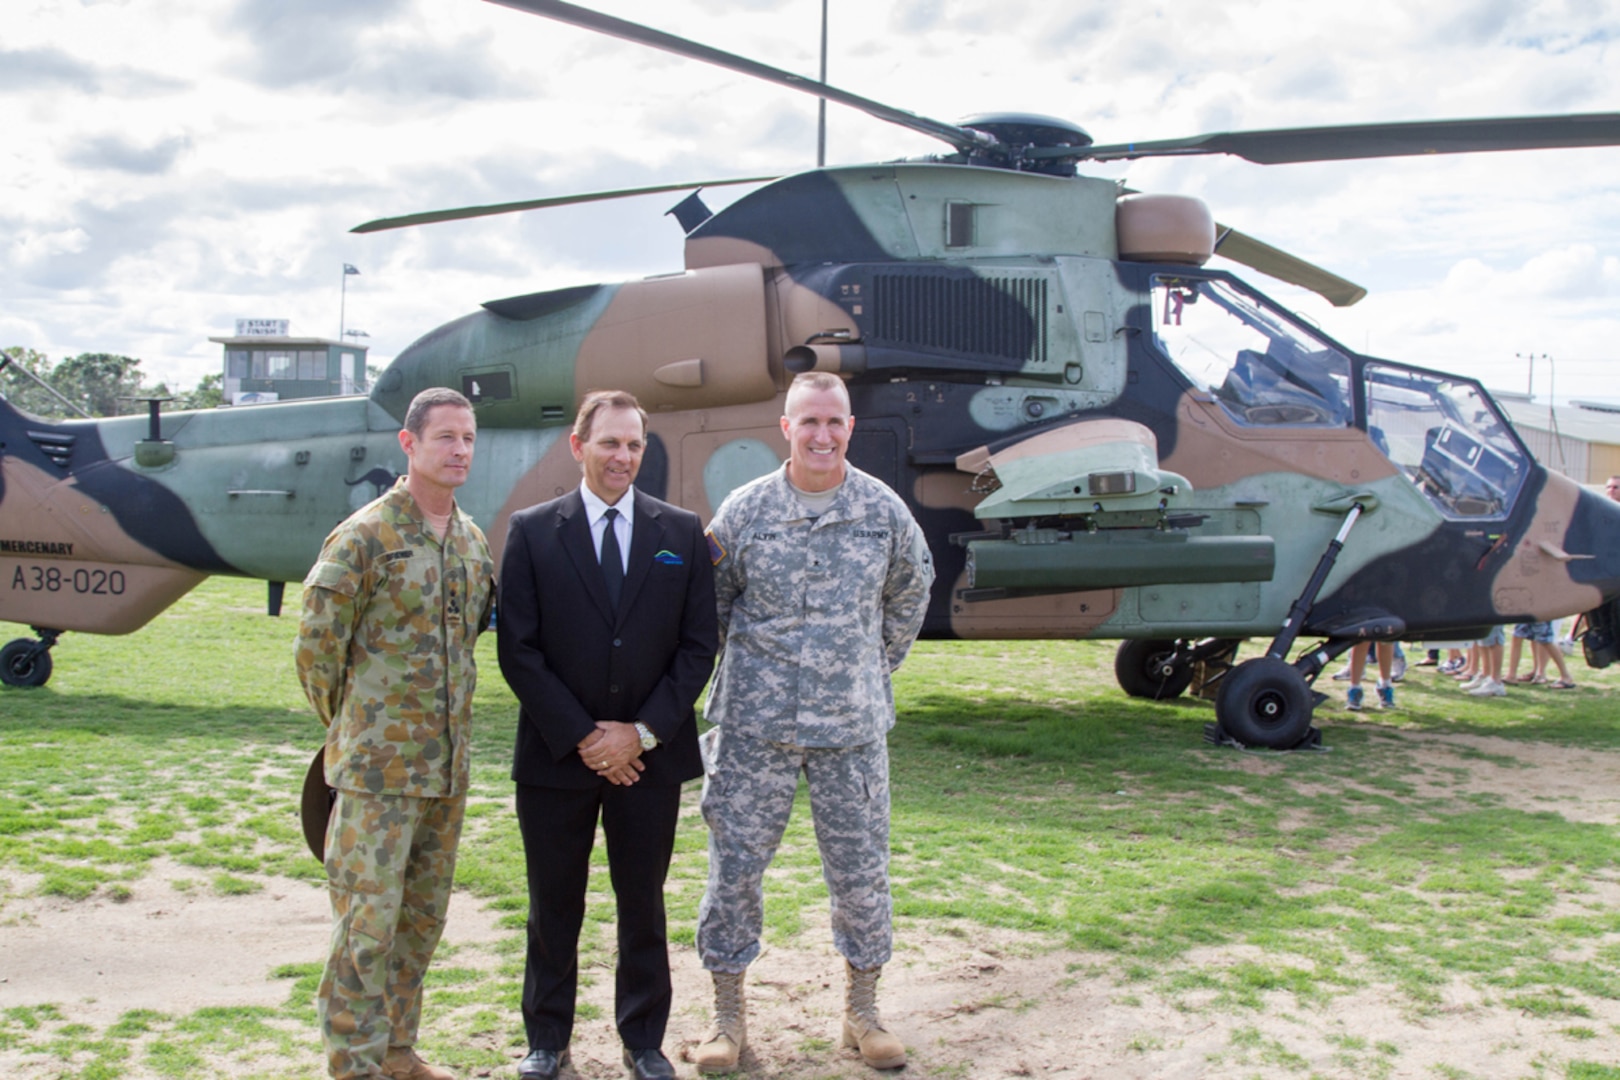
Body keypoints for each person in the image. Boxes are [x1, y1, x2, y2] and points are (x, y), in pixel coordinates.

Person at [691, 372, 935, 1073]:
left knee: (860, 875)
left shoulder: (881, 511)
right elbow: (711, 605)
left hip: (850, 731)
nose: (821, 435)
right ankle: (726, 1020)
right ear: (786, 428)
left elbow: (911, 591)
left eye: (834, 422)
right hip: (752, 728)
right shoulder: (745, 511)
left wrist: (865, 667)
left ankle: (863, 1014)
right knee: (734, 871)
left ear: (849, 428)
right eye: (809, 423)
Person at [497, 390, 717, 1080]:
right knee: (552, 904)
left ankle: (643, 1039)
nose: (622, 457)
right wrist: (586, 737)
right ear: (578, 447)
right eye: (609, 443)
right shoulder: (532, 531)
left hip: (647, 762)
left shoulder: (681, 533)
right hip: (557, 758)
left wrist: (642, 734)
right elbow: (519, 650)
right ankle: (546, 1039)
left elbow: (697, 647)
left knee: (642, 905)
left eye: (633, 445)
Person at [296, 387, 495, 1080]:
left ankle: (398, 1050)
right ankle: (352, 1063)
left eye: (468, 438)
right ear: (408, 445)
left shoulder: (471, 540)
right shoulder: (365, 537)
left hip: (446, 773)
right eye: (445, 437)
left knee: (419, 923)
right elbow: (317, 656)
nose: (460, 450)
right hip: (377, 776)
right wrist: (356, 732)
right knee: (366, 928)